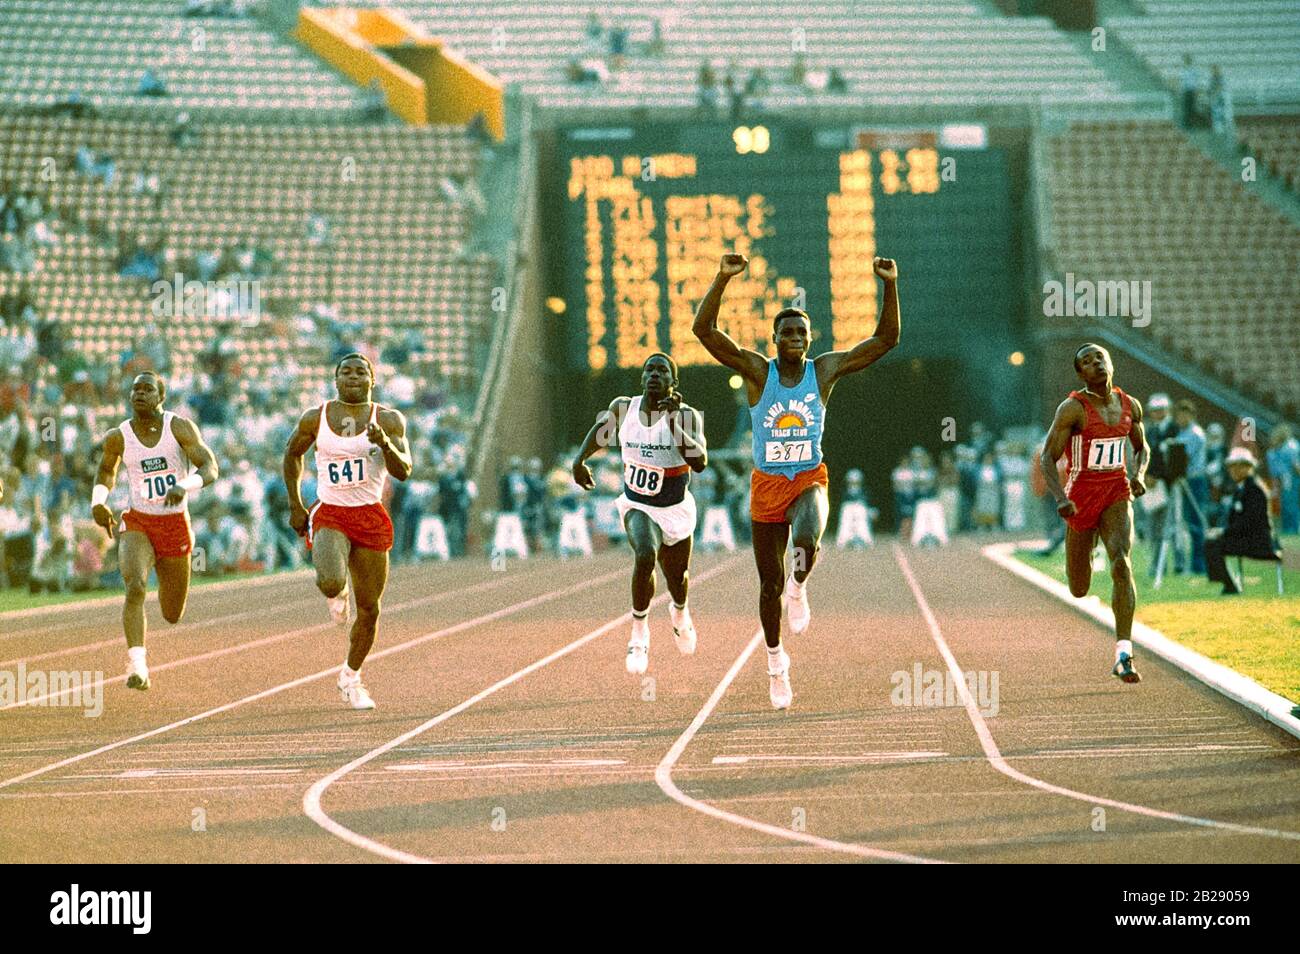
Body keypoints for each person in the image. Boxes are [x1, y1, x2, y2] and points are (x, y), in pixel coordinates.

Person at [693, 252, 900, 709]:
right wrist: (723, 278)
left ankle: (801, 587)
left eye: (801, 332)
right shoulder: (755, 371)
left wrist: (890, 284)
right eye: (786, 332)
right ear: (774, 339)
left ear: (810, 339)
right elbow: (703, 332)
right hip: (767, 485)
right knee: (768, 586)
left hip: (809, 477)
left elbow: (886, 339)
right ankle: (775, 663)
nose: (794, 338)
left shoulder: (822, 371)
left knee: (808, 538)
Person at [282, 353, 413, 709]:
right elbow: (292, 455)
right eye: (346, 371)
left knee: (370, 609)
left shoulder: (387, 418)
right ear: (336, 379)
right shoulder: (316, 417)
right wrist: (296, 504)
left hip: (369, 515)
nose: (353, 376)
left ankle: (351, 677)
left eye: (361, 372)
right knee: (330, 581)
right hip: (331, 512)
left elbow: (404, 471)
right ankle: (336, 590)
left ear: (372, 380)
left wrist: (384, 442)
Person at [572, 353, 707, 674]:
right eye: (649, 369)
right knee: (645, 554)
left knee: (678, 579)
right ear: (642, 377)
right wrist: (579, 461)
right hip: (637, 504)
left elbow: (700, 462)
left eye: (663, 371)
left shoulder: (686, 416)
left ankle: (680, 613)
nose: (654, 375)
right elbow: (599, 432)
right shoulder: (624, 407)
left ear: (673, 383)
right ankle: (639, 634)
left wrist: (673, 423)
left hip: (674, 508)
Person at [91, 372, 219, 691]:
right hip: (139, 522)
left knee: (172, 612)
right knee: (134, 586)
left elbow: (210, 468)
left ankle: (166, 587)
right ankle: (138, 666)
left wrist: (184, 484)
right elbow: (106, 470)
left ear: (161, 397)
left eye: (148, 389)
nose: (140, 393)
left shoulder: (179, 427)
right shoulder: (118, 436)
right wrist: (98, 501)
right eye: (135, 388)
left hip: (174, 523)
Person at [1039, 344, 1149, 683]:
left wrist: (1139, 474)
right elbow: (1047, 457)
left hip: (1116, 491)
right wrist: (1060, 498)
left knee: (1121, 563)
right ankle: (1086, 548)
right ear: (1081, 374)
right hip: (1082, 496)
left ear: (1110, 363)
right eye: (1086, 362)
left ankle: (1124, 655)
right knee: (1078, 588)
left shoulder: (1130, 405)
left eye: (1099, 357)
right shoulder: (1073, 409)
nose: (1095, 364)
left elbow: (1141, 447)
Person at [1205, 448, 1278, 594]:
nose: (1233, 470)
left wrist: (1223, 532)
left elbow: (1251, 522)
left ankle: (1230, 586)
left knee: (1213, 543)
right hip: (1246, 537)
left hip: (1258, 541)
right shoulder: (1241, 488)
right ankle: (1229, 584)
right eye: (1231, 466)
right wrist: (1221, 530)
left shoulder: (1255, 489)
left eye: (1238, 466)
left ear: (1248, 467)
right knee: (1211, 541)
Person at [1172, 399, 1208, 574]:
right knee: (1183, 522)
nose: (1179, 418)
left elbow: (1183, 457)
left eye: (1183, 415)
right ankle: (1186, 564)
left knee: (1196, 523)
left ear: (1190, 415)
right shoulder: (1182, 432)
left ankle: (1199, 564)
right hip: (1184, 480)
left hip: (1194, 481)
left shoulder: (1195, 433)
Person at [1265, 424, 1300, 534]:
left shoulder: (1290, 447)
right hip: (1285, 479)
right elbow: (1275, 474)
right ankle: (1288, 530)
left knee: (1290, 505)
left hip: (1290, 478)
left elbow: (1296, 465)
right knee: (1286, 505)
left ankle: (1292, 529)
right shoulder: (1273, 453)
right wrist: (1275, 488)